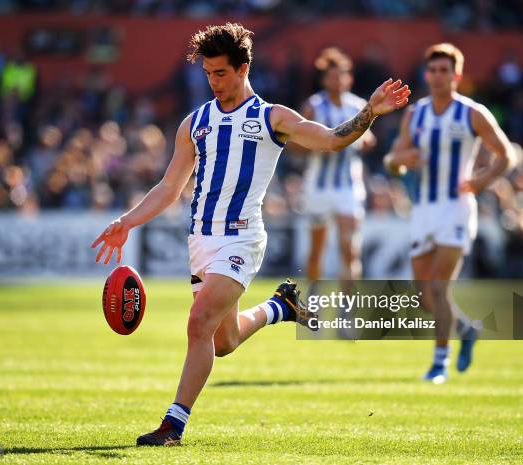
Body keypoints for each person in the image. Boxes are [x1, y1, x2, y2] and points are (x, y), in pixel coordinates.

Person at [92, 23, 410, 445]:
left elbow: (332, 140)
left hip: (242, 239)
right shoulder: (195, 122)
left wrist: (369, 112)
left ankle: (173, 425)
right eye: (208, 74)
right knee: (223, 342)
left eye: (220, 73)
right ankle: (280, 306)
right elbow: (170, 187)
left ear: (243, 68)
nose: (213, 82)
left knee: (197, 323)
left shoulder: (271, 117)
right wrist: (126, 221)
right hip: (201, 242)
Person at [384, 43, 513, 384]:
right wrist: (402, 161)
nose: (439, 77)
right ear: (427, 75)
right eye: (434, 71)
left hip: (456, 210)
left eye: (446, 71)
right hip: (424, 209)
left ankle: (440, 362)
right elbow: (391, 160)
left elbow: (506, 155)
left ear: (456, 75)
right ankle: (468, 329)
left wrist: (482, 180)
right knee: (425, 297)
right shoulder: (416, 114)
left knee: (440, 287)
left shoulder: (472, 113)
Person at [298, 47, 376, 296]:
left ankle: (346, 311)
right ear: (324, 79)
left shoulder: (359, 105)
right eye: (333, 76)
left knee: (349, 247)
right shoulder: (313, 106)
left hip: (348, 187)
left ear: (349, 78)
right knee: (317, 249)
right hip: (318, 187)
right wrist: (316, 146)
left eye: (342, 75)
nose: (337, 80)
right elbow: (296, 143)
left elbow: (370, 139)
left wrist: (364, 141)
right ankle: (313, 299)